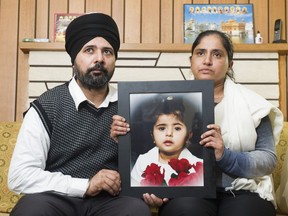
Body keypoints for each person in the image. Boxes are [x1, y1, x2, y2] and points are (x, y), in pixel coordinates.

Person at [110, 30, 284, 216]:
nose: (207, 60)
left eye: (217, 54)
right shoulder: (170, 102)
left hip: (242, 191)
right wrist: (123, 137)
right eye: (200, 53)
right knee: (185, 210)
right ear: (191, 60)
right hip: (187, 193)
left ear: (230, 63)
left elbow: (268, 160)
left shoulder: (253, 105)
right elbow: (143, 148)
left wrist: (225, 156)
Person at [8, 13, 151, 216]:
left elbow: (151, 164)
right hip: (56, 198)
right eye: (89, 50)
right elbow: (19, 176)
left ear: (114, 60)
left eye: (107, 52)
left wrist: (129, 146)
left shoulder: (132, 106)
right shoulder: (47, 105)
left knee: (135, 210)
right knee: (31, 211)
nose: (99, 59)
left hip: (111, 201)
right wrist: (86, 185)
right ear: (74, 58)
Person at [130, 95, 203, 187]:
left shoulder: (198, 165)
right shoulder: (143, 161)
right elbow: (134, 189)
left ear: (188, 136)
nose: (169, 133)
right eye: (161, 128)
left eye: (177, 128)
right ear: (152, 136)